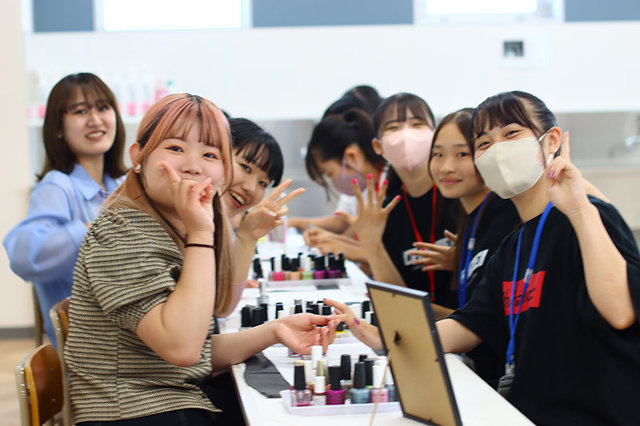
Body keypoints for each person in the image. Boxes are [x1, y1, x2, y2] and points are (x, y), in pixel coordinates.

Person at [337, 91, 640, 424]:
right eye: (483, 144)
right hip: (525, 413)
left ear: (551, 140)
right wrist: (390, 338)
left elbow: (620, 312)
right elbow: (473, 322)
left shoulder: (590, 216)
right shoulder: (513, 245)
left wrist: (579, 208)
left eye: (511, 134)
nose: (497, 150)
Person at [64, 94, 334, 425]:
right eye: (175, 148)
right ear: (138, 157)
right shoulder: (122, 231)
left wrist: (275, 330)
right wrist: (201, 233)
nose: (193, 165)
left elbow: (199, 341)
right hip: (133, 410)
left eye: (209, 154)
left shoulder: (168, 225)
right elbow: (183, 349)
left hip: (173, 397)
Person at [3, 72, 127, 343]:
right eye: (80, 111)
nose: (95, 120)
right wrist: (89, 229)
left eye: (103, 108)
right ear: (58, 128)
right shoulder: (57, 186)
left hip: (127, 332)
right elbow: (23, 256)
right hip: (91, 349)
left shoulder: (120, 185)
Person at [337, 93, 458, 315]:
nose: (406, 135)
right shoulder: (388, 209)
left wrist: (461, 261)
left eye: (417, 124)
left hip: (467, 326)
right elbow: (398, 299)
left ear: (434, 136)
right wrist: (372, 244)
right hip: (423, 323)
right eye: (393, 127)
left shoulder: (458, 192)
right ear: (378, 146)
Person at [288, 108, 386, 263]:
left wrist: (341, 247)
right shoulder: (368, 187)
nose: (333, 182)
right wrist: (330, 240)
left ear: (351, 156)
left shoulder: (389, 186)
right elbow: (362, 242)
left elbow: (391, 258)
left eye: (330, 174)